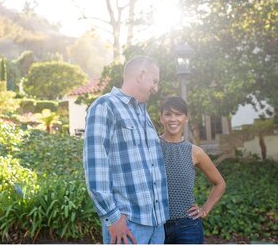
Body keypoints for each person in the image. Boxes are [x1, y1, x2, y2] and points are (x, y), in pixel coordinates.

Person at [83, 55, 170, 244]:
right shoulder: (105, 106)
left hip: (156, 225)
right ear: (141, 75)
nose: (156, 88)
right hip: (128, 226)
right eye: (154, 81)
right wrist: (112, 218)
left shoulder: (143, 114)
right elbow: (96, 168)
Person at [158, 97, 225, 244]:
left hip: (188, 227)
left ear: (186, 118)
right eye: (168, 114)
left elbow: (220, 183)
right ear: (161, 118)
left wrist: (205, 210)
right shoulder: (152, 147)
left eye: (178, 114)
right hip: (156, 226)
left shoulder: (195, 152)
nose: (173, 119)